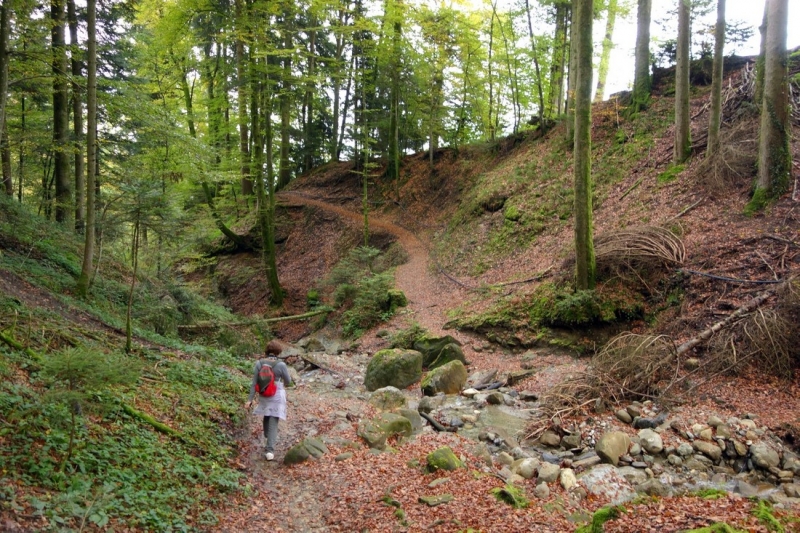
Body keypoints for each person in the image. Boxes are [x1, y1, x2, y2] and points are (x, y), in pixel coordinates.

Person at [245, 340, 293, 461]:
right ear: (278, 351)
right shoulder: (281, 364)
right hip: (276, 395)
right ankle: (270, 450)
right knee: (273, 419)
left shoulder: (259, 363)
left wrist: (249, 400)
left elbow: (254, 383)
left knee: (267, 414)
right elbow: (288, 381)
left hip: (263, 393)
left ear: (267, 351)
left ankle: (267, 436)